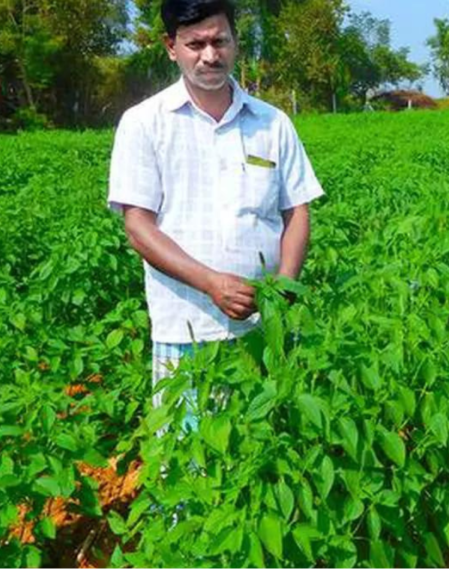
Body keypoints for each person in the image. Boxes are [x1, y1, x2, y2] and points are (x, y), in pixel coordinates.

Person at [107, 0, 324, 433]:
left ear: (235, 44)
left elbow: (297, 210)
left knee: (261, 451)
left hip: (263, 329)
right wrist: (210, 282)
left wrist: (284, 285)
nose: (210, 55)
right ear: (171, 47)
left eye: (220, 41)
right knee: (185, 459)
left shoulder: (272, 122)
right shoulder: (144, 123)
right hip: (184, 327)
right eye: (195, 43)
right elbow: (138, 225)